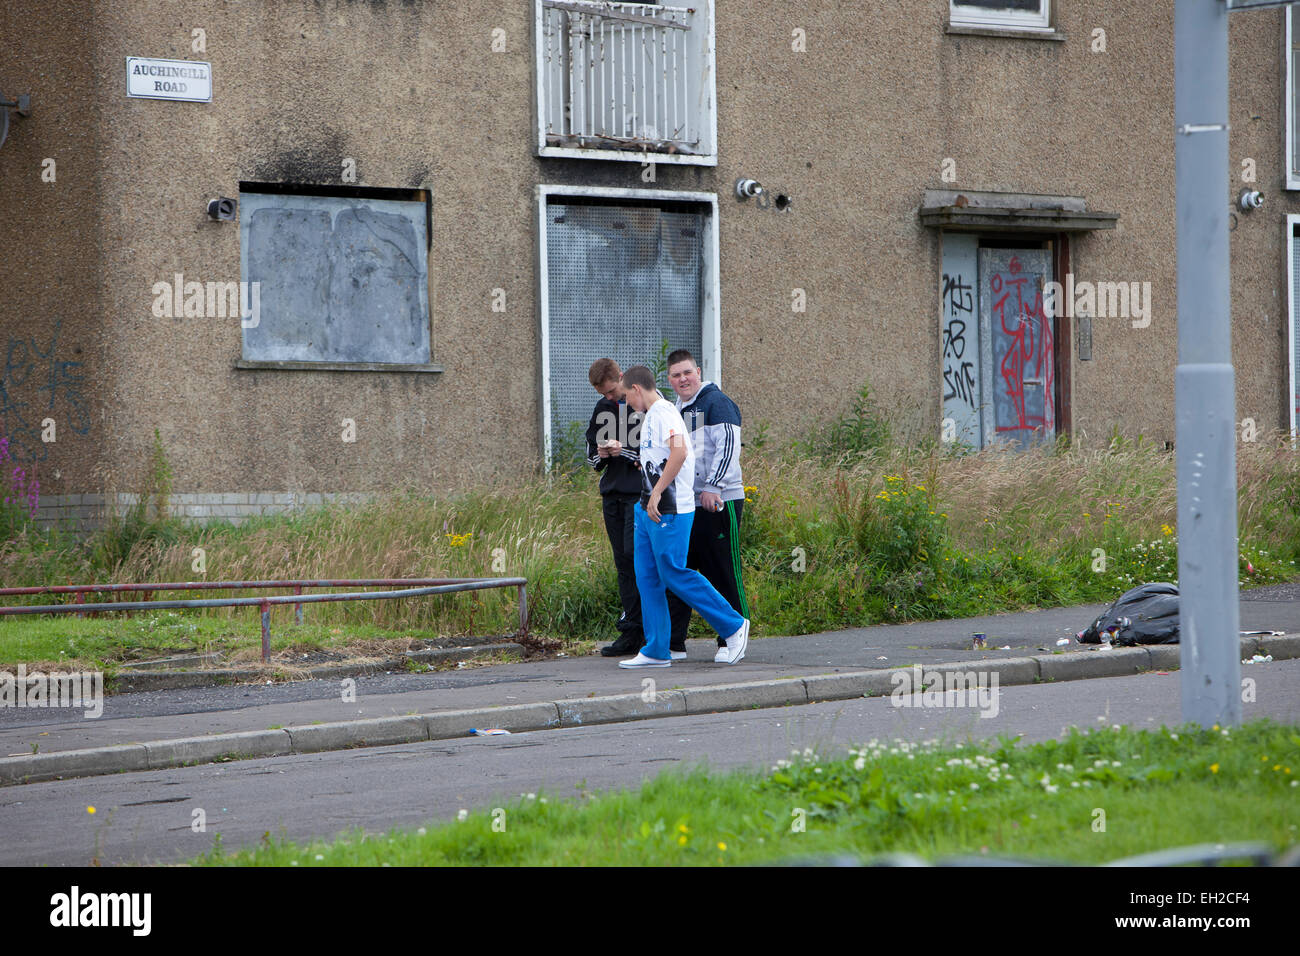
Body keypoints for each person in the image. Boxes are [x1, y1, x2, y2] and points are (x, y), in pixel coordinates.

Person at [616, 364, 749, 668]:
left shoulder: (663, 412)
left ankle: (733, 624)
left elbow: (680, 452)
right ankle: (657, 649)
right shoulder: (651, 416)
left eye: (626, 396)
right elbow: (664, 457)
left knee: (673, 572)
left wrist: (659, 490)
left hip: (671, 508)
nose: (626, 404)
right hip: (647, 507)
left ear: (636, 388)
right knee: (648, 577)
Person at [664, 349, 750, 663]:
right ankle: (674, 643)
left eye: (687, 372)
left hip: (718, 501)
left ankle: (732, 637)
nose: (683, 379)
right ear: (670, 380)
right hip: (688, 505)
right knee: (681, 569)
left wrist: (713, 486)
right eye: (676, 375)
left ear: (698, 372)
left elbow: (728, 447)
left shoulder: (717, 403)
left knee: (722, 569)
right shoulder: (675, 410)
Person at [585, 358, 645, 658]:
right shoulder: (602, 409)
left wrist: (625, 450)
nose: (608, 398)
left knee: (638, 560)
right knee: (622, 563)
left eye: (611, 391)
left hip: (639, 495)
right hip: (613, 496)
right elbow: (591, 458)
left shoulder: (643, 404)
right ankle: (631, 631)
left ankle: (651, 629)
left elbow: (657, 452)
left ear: (621, 377)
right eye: (603, 394)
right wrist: (602, 453)